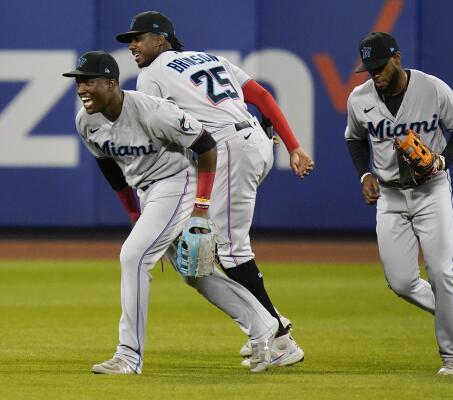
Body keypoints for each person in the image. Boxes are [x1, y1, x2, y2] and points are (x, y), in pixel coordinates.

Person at [115, 11, 314, 366]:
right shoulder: (211, 59)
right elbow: (263, 97)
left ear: (161, 39)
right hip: (254, 141)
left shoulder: (153, 74)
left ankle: (279, 336)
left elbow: (160, 136)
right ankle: (269, 326)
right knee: (219, 245)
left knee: (229, 249)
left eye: (139, 37)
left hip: (227, 149)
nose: (133, 44)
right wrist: (294, 145)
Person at [63, 50, 280, 374]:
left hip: (178, 180)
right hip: (148, 191)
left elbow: (206, 145)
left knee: (133, 256)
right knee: (195, 273)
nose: (81, 89)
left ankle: (128, 355)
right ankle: (267, 329)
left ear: (111, 83)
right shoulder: (86, 121)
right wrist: (136, 216)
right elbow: (110, 170)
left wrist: (201, 208)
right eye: (78, 82)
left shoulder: (152, 111)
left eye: (88, 81)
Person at [344, 32, 453, 375]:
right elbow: (354, 138)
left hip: (431, 190)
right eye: (369, 68)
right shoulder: (359, 99)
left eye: (380, 66)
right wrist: (363, 175)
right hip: (390, 195)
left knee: (442, 271)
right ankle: (452, 308)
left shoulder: (432, 88)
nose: (375, 74)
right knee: (401, 281)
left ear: (396, 58)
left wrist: (442, 161)